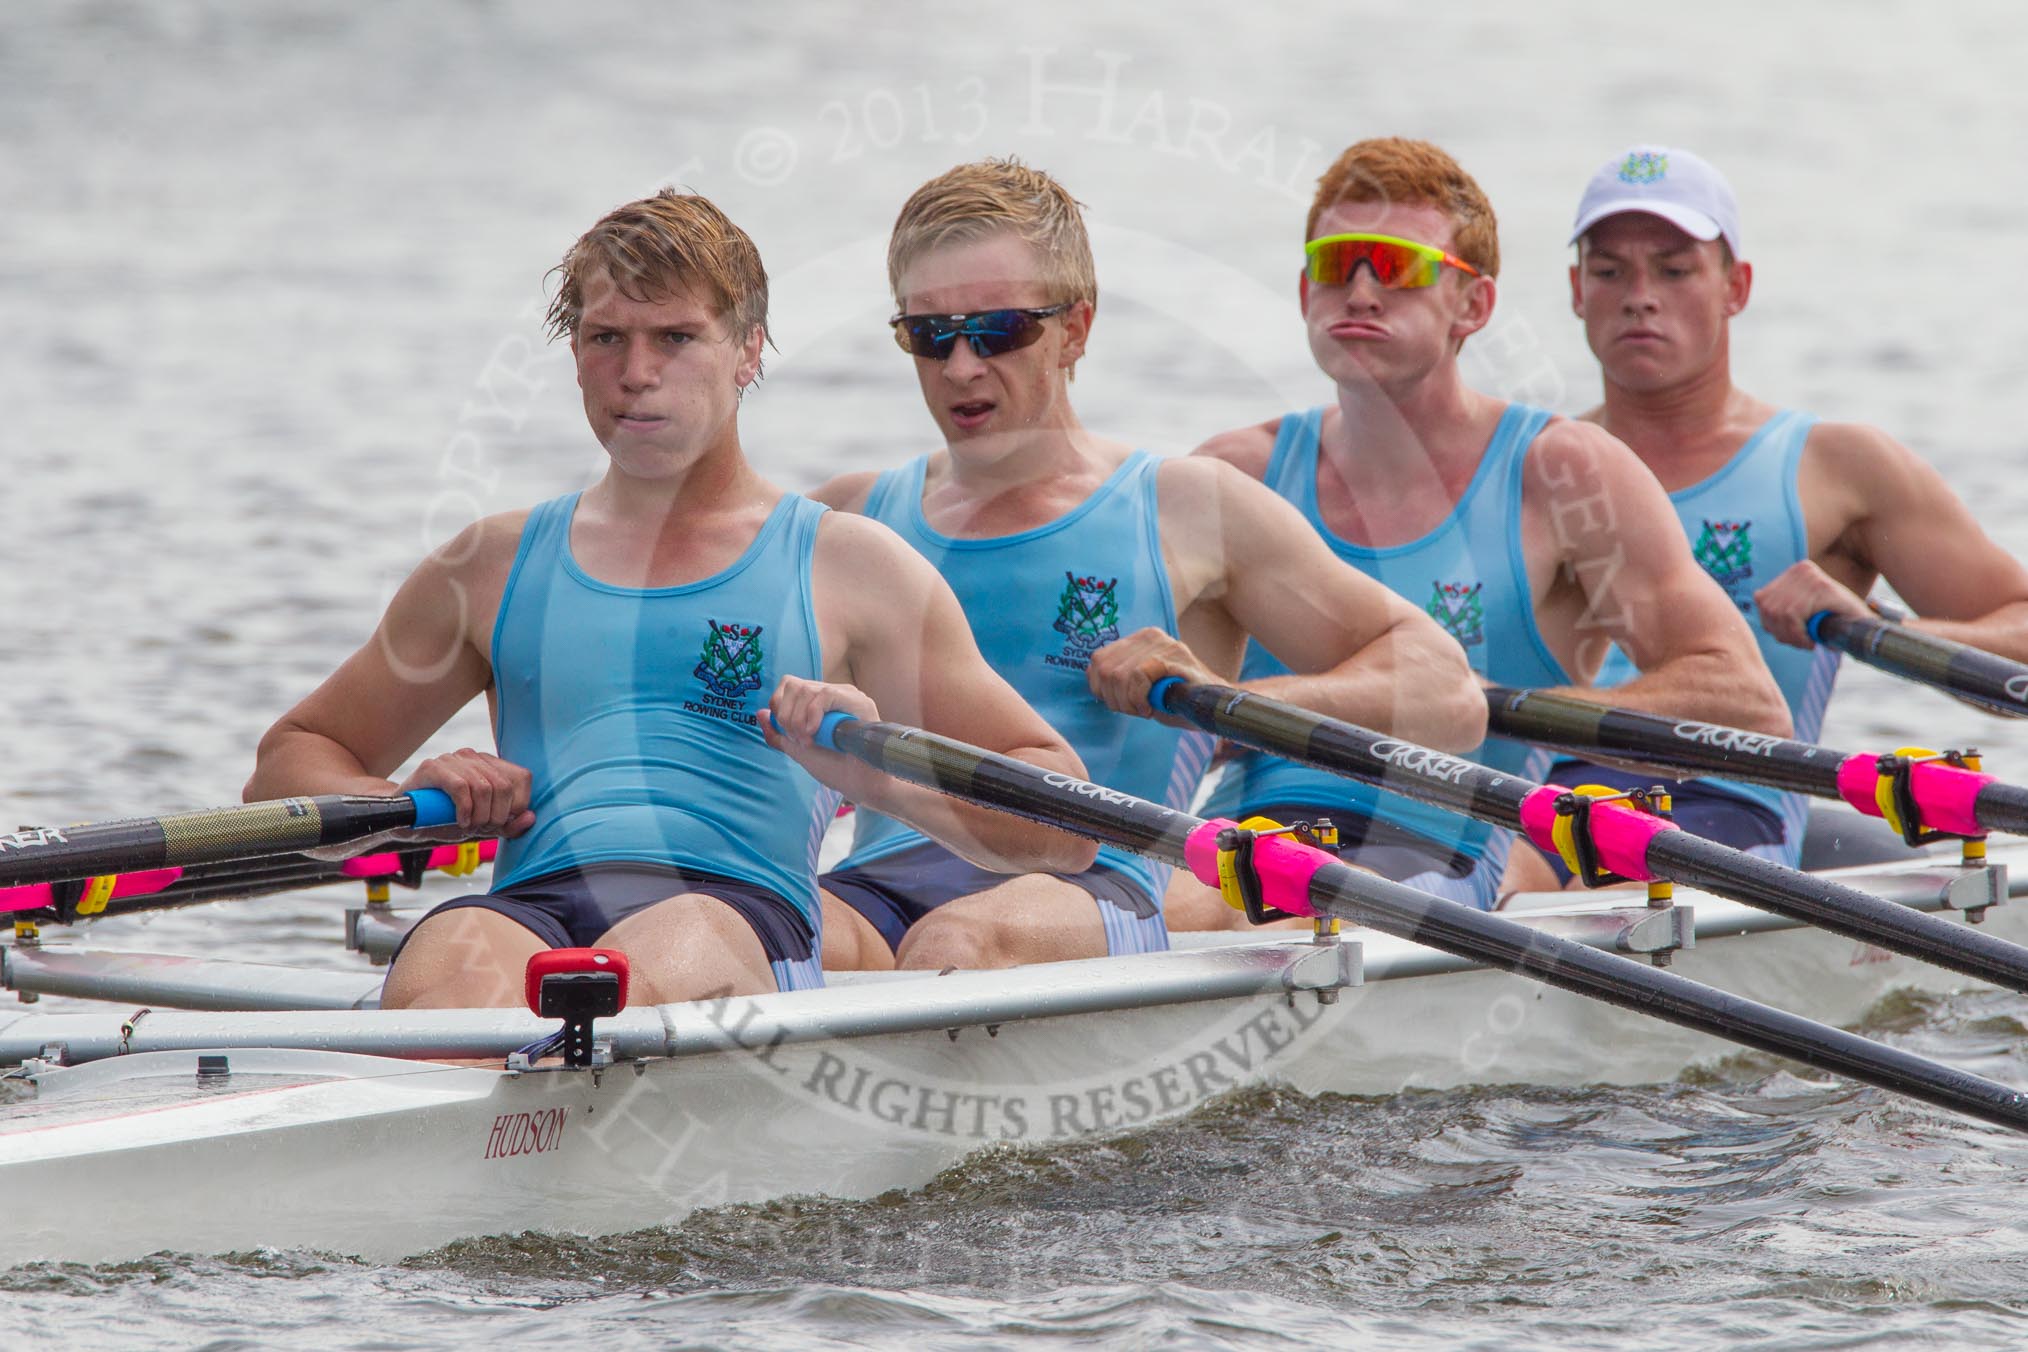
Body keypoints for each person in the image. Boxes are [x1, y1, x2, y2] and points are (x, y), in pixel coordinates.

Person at [244, 189, 1094, 1009]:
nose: (637, 374)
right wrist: (399, 806)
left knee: (654, 955)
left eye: (677, 338)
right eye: (607, 337)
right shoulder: (487, 566)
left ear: (748, 351)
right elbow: (290, 760)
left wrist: (879, 778)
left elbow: (1067, 816)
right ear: (575, 353)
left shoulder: (850, 567)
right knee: (446, 974)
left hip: (734, 915)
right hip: (525, 905)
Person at [811, 158, 1486, 971]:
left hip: (1105, 879)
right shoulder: (849, 521)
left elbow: (1447, 692)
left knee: (957, 941)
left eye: (999, 331)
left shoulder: (1187, 507)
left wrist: (1225, 700)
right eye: (930, 335)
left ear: (1076, 330)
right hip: (883, 878)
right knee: (722, 927)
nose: (960, 367)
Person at [1174, 137, 1787, 915]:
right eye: (1337, 264)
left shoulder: (1562, 475)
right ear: (1304, 293)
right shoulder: (1233, 476)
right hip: (1242, 843)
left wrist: (1494, 702)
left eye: (1394, 266)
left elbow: (1744, 696)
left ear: (1475, 305)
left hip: (1452, 850)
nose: (1361, 292)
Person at [1541, 144, 2028, 872]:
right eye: (1610, 271)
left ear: (1735, 286)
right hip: (1543, 804)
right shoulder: (1535, 472)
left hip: (1728, 812)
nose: (1640, 295)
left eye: (1674, 270)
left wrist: (1883, 628)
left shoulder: (1839, 468)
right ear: (1578, 290)